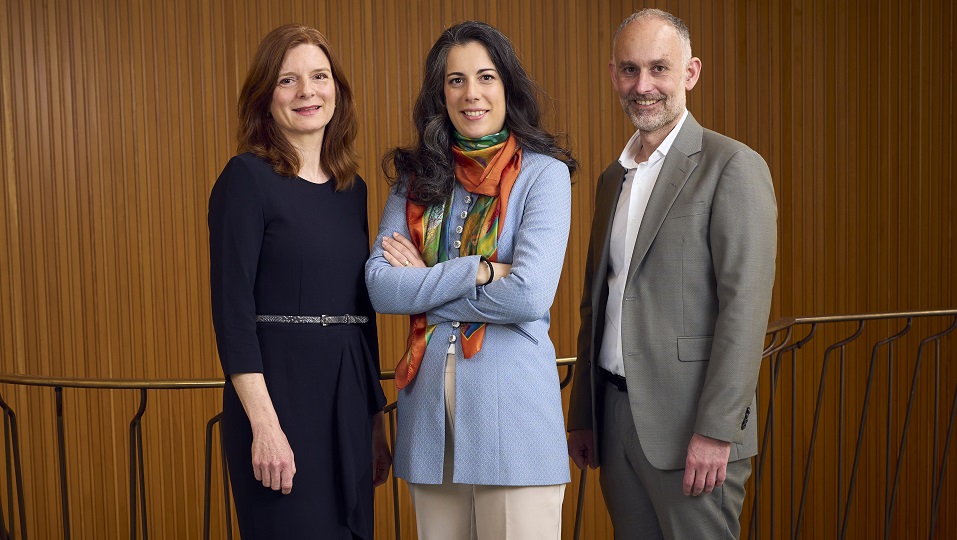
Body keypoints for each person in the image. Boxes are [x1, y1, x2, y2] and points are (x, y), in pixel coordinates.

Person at [566, 8, 777, 540]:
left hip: (692, 431)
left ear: (691, 73)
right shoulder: (612, 179)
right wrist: (584, 413)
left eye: (659, 68)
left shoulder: (732, 166)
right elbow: (600, 300)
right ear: (614, 74)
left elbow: (744, 311)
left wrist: (716, 430)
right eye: (630, 70)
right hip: (614, 421)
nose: (644, 86)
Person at [365, 21, 576, 540]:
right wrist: (477, 270)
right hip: (427, 418)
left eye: (485, 77)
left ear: (507, 86)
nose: (471, 93)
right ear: (441, 94)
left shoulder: (543, 175)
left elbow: (528, 294)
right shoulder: (416, 178)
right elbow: (380, 287)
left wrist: (428, 289)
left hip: (516, 411)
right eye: (455, 80)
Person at [208, 24, 390, 539]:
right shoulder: (245, 178)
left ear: (338, 90)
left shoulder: (352, 190)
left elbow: (362, 310)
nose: (307, 91)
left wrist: (374, 423)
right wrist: (264, 427)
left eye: (319, 76)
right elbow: (232, 312)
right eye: (288, 81)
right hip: (279, 401)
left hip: (349, 400)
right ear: (265, 98)